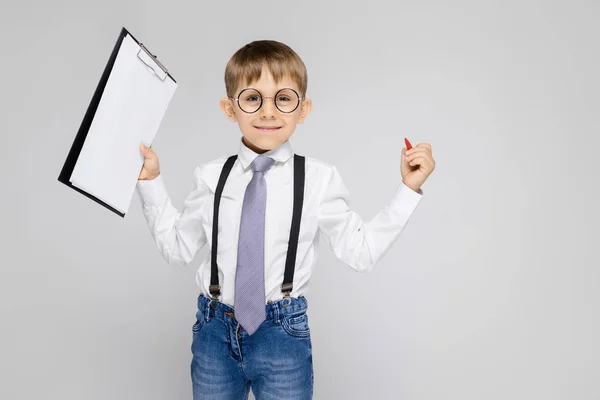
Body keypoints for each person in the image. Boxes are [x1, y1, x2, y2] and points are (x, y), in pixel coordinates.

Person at [136, 39, 435, 400]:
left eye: (284, 98)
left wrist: (407, 189)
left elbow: (361, 253)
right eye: (251, 98)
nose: (268, 112)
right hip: (214, 333)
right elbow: (176, 248)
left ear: (303, 108)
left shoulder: (319, 179)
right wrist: (151, 181)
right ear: (229, 108)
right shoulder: (210, 176)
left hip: (282, 335)